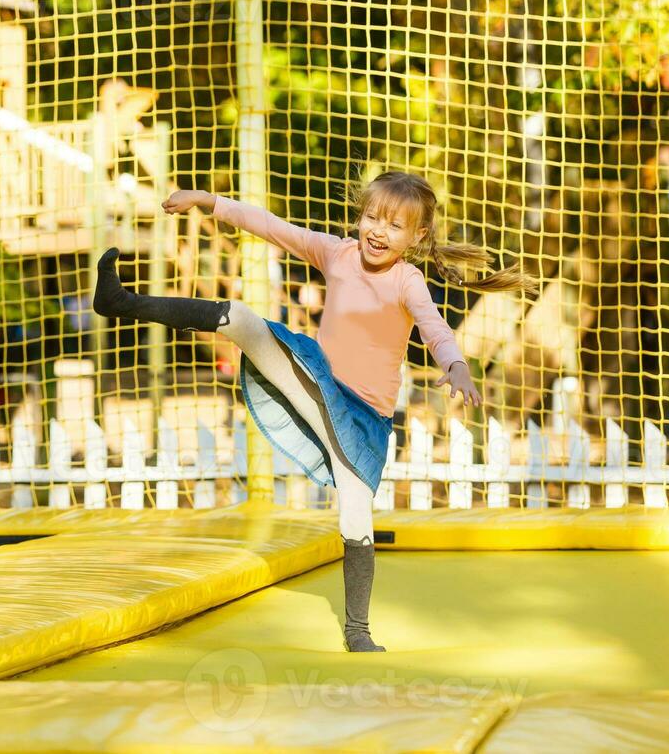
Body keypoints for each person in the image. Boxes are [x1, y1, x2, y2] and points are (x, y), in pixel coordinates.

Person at [94, 171, 536, 651]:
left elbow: (434, 328)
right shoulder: (338, 253)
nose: (377, 231)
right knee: (240, 319)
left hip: (363, 423)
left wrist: (455, 364)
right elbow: (271, 226)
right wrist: (209, 200)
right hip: (314, 383)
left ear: (417, 236)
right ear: (359, 216)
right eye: (371, 217)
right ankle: (120, 302)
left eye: (393, 225)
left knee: (354, 519)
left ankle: (358, 631)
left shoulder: (408, 281)